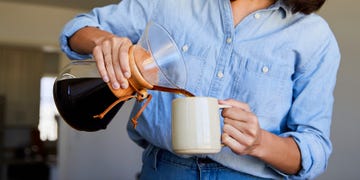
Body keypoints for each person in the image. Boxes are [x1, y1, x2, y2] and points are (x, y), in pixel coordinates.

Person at [59, 0, 340, 179]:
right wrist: (106, 42)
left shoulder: (314, 36)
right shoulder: (169, 4)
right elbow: (77, 28)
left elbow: (314, 149)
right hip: (162, 171)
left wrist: (260, 143)